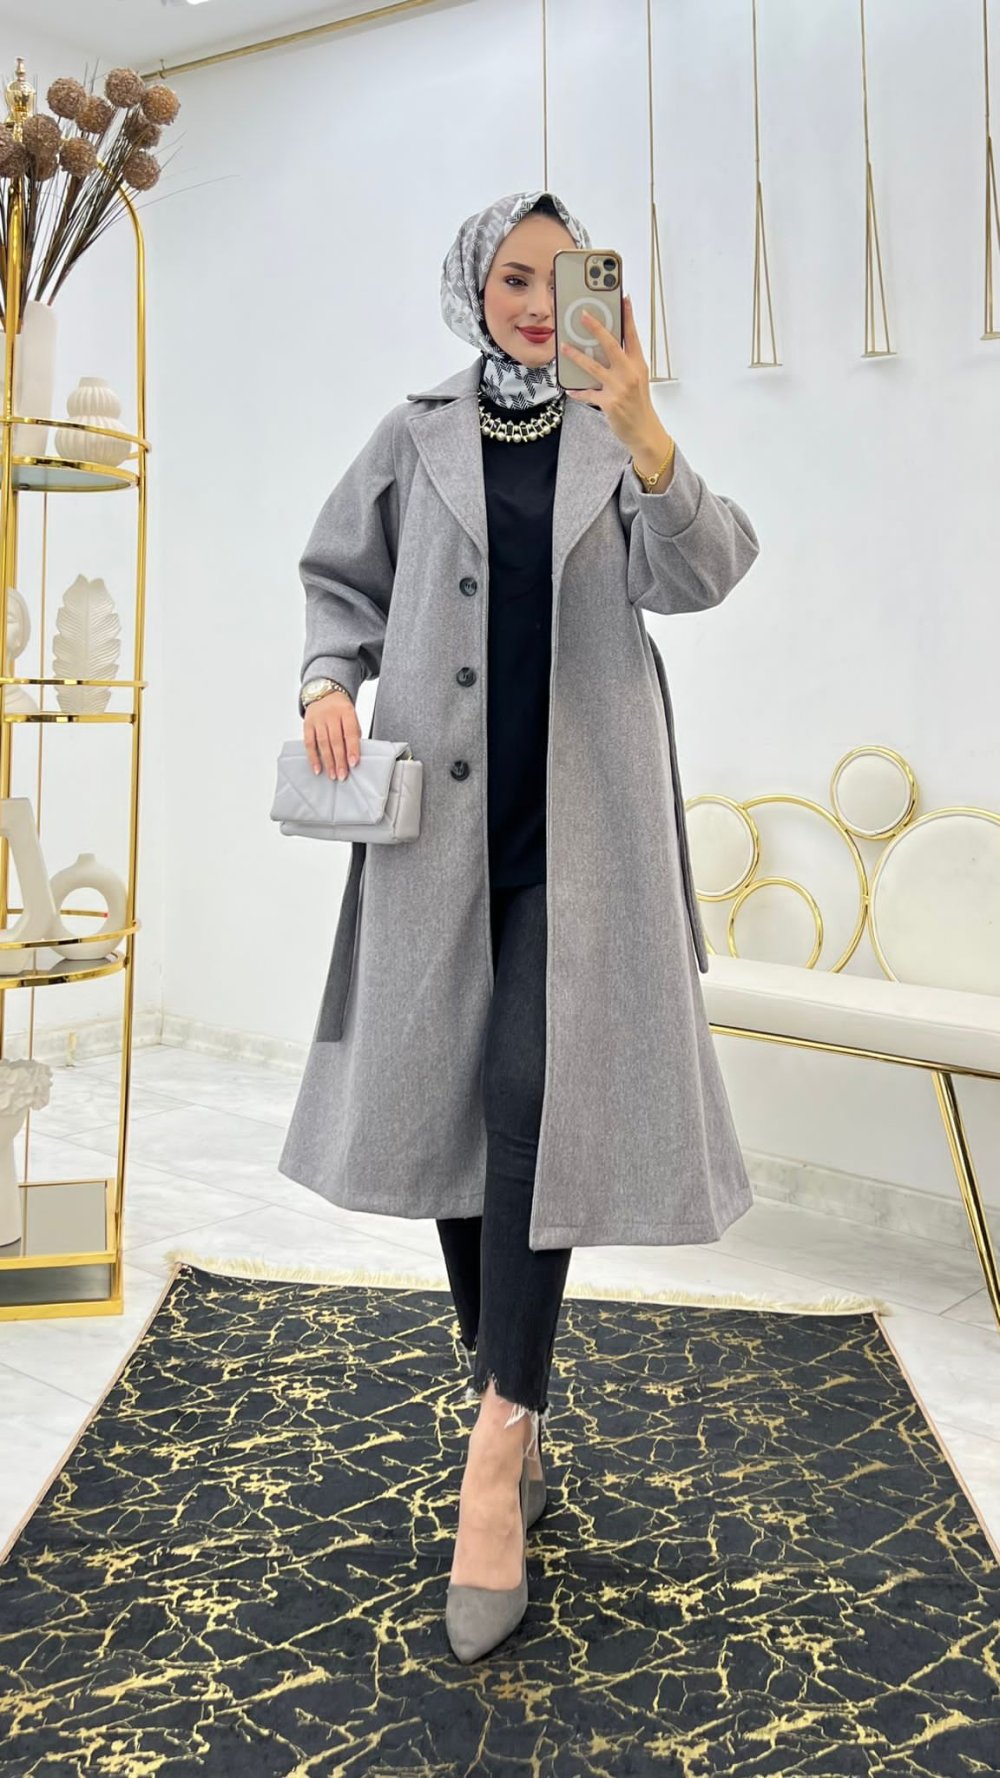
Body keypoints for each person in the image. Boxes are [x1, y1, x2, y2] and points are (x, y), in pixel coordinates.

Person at [286, 189, 760, 1663]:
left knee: (529, 1099)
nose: (542, 301)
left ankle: (496, 1453)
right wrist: (327, 678)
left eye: (565, 275)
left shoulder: (618, 431)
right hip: (441, 832)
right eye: (514, 276)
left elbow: (708, 571)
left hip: (583, 832)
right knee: (454, 1109)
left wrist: (648, 428)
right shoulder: (413, 429)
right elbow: (339, 579)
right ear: (473, 289)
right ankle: (516, 1401)